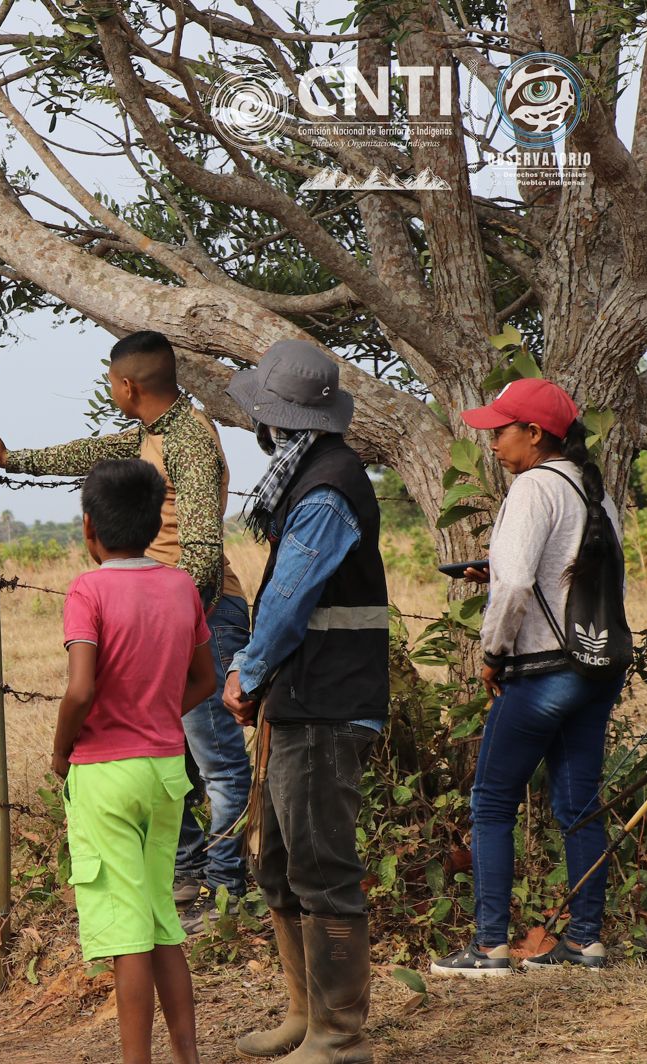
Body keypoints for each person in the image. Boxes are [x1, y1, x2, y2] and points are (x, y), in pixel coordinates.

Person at [0, 330, 251, 927]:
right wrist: (13, 458)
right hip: (167, 609)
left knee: (217, 761)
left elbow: (202, 549)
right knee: (171, 752)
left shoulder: (189, 440)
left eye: (110, 384)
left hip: (199, 613)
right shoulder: (153, 433)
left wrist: (172, 616)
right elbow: (91, 454)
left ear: (127, 386)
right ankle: (187, 875)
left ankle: (228, 891)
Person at [221, 340, 387, 1064]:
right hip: (304, 698)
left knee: (322, 871)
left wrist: (246, 673)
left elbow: (289, 597)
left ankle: (339, 1037)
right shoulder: (312, 475)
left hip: (326, 703)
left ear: (274, 419)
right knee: (281, 867)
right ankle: (304, 1015)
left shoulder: (324, 489)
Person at [430, 379, 625, 978]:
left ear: (535, 433)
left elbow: (516, 583)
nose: (491, 442)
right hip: (595, 667)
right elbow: (568, 574)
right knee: (578, 804)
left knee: (492, 801)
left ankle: (489, 946)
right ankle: (585, 942)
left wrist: (493, 653)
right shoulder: (592, 489)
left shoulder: (533, 486)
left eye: (501, 430)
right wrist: (498, 571)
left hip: (542, 671)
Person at [51, 459, 216, 1064]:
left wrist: (61, 751)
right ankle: (187, 1056)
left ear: (88, 527)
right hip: (165, 769)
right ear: (154, 525)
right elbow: (205, 678)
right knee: (160, 918)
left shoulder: (87, 590)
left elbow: (80, 690)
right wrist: (159, 712)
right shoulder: (180, 586)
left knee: (126, 933)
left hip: (105, 773)